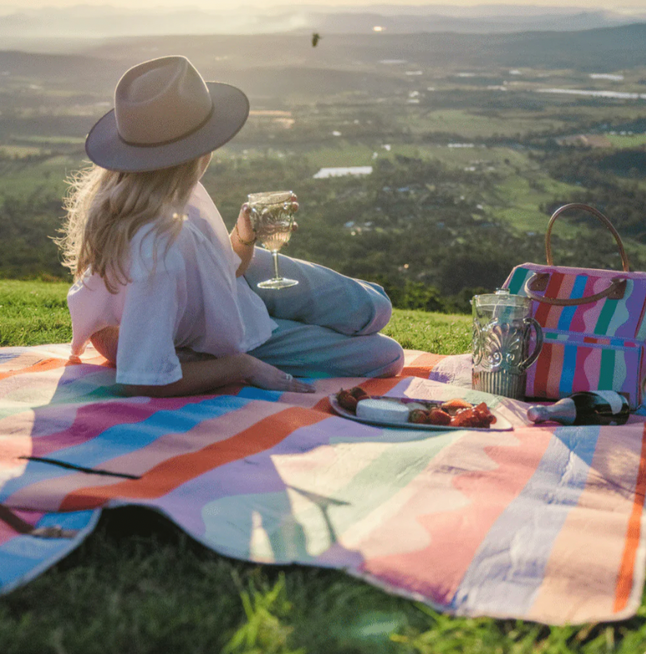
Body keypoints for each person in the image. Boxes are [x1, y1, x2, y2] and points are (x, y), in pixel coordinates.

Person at [58, 55, 404, 398]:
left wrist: (241, 237)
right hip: (221, 330)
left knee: (376, 306)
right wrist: (241, 366)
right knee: (385, 355)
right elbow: (142, 380)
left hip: (232, 291)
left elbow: (212, 273)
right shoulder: (158, 248)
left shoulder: (155, 193)